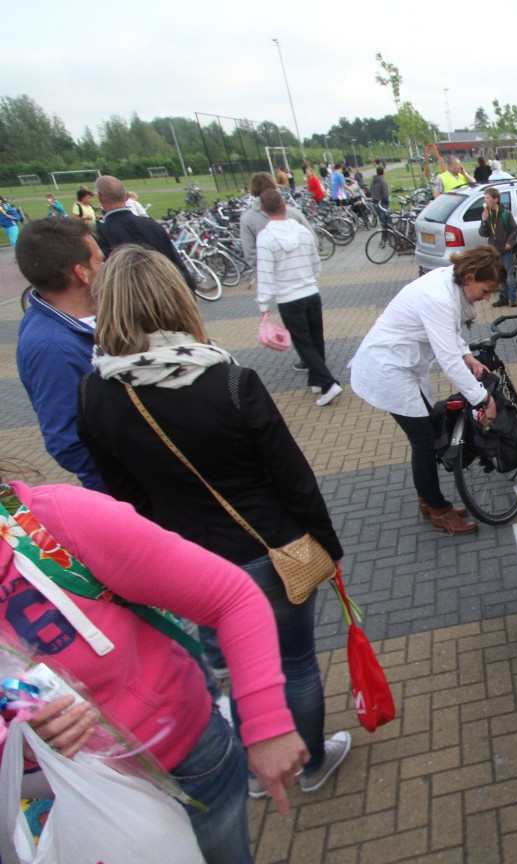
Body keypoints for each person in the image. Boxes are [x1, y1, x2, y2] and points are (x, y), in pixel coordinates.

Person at [75, 245, 352, 808]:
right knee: (295, 664)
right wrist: (327, 543)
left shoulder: (96, 392)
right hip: (268, 549)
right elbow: (292, 477)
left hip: (188, 565)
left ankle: (254, 772)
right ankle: (311, 764)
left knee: (238, 669)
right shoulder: (228, 380)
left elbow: (125, 498)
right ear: (176, 299)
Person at [0, 474, 307, 863]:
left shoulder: (51, 523)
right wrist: (19, 744)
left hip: (185, 766)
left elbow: (232, 597)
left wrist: (266, 726)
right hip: (58, 799)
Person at [348, 247, 507, 535]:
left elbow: (448, 334)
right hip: (388, 369)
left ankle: (428, 499)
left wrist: (467, 355)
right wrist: (484, 399)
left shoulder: (448, 283)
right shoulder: (438, 297)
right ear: (470, 277)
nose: (487, 298)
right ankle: (438, 510)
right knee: (423, 441)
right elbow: (448, 360)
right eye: (486, 290)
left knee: (426, 436)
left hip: (402, 367)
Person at [14, 218, 106, 492]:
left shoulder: (79, 320)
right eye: (100, 261)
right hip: (124, 491)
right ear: (82, 273)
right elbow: (67, 441)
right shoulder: (53, 347)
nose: (107, 268)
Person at [255, 189, 343, 407]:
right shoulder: (303, 232)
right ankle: (317, 380)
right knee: (316, 338)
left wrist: (264, 304)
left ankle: (328, 383)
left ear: (263, 210)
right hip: (311, 292)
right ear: (284, 206)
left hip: (288, 297)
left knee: (303, 343)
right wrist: (310, 279)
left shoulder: (266, 238)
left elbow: (265, 273)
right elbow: (315, 262)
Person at [94, 175, 197, 292]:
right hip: (169, 292)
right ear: (127, 196)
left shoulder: (101, 234)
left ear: (100, 197)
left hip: (134, 297)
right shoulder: (152, 225)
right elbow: (176, 263)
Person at [239, 172, 312, 282]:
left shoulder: (247, 219)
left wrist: (264, 273)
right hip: (302, 274)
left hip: (273, 278)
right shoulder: (293, 213)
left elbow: (250, 252)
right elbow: (311, 240)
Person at [478, 186, 517, 308]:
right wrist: (484, 221)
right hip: (494, 250)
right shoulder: (488, 214)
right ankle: (503, 297)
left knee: (509, 274)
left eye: (488, 198)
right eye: (485, 198)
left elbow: (514, 229)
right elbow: (483, 233)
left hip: (505, 249)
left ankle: (513, 298)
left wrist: (510, 242)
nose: (486, 201)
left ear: (495, 199)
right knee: (499, 275)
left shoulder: (506, 214)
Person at [370, 163, 391, 230]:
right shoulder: (382, 182)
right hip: (382, 203)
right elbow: (385, 194)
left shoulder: (373, 181)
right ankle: (386, 234)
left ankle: (385, 233)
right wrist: (387, 201)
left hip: (375, 202)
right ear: (383, 172)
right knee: (387, 221)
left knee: (382, 221)